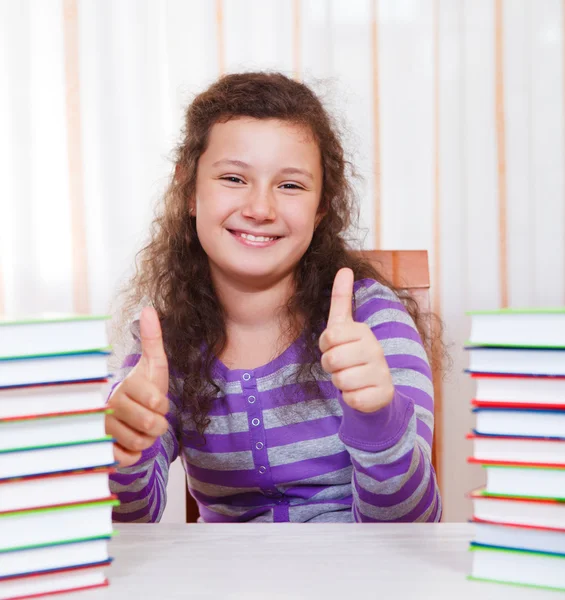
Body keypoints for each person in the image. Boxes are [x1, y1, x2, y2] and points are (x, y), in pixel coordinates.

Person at [106, 71, 441, 523]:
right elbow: (128, 522)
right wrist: (124, 451)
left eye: (290, 185)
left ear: (322, 206)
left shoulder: (374, 322)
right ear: (190, 190)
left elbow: (414, 525)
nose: (260, 209)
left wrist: (379, 418)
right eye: (232, 178)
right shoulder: (164, 346)